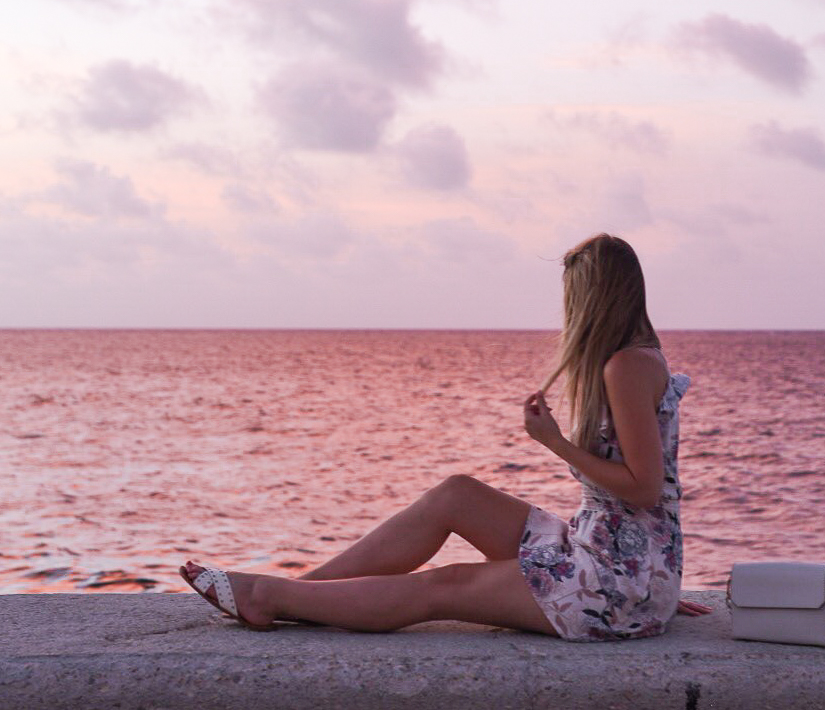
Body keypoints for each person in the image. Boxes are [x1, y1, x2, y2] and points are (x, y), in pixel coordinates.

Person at [180, 232, 709, 638]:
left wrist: (555, 443)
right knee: (457, 494)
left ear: (594, 298)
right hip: (610, 554)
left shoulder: (625, 366)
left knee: (444, 586)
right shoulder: (632, 360)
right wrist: (654, 573)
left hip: (615, 579)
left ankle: (271, 598)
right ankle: (304, 590)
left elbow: (643, 488)